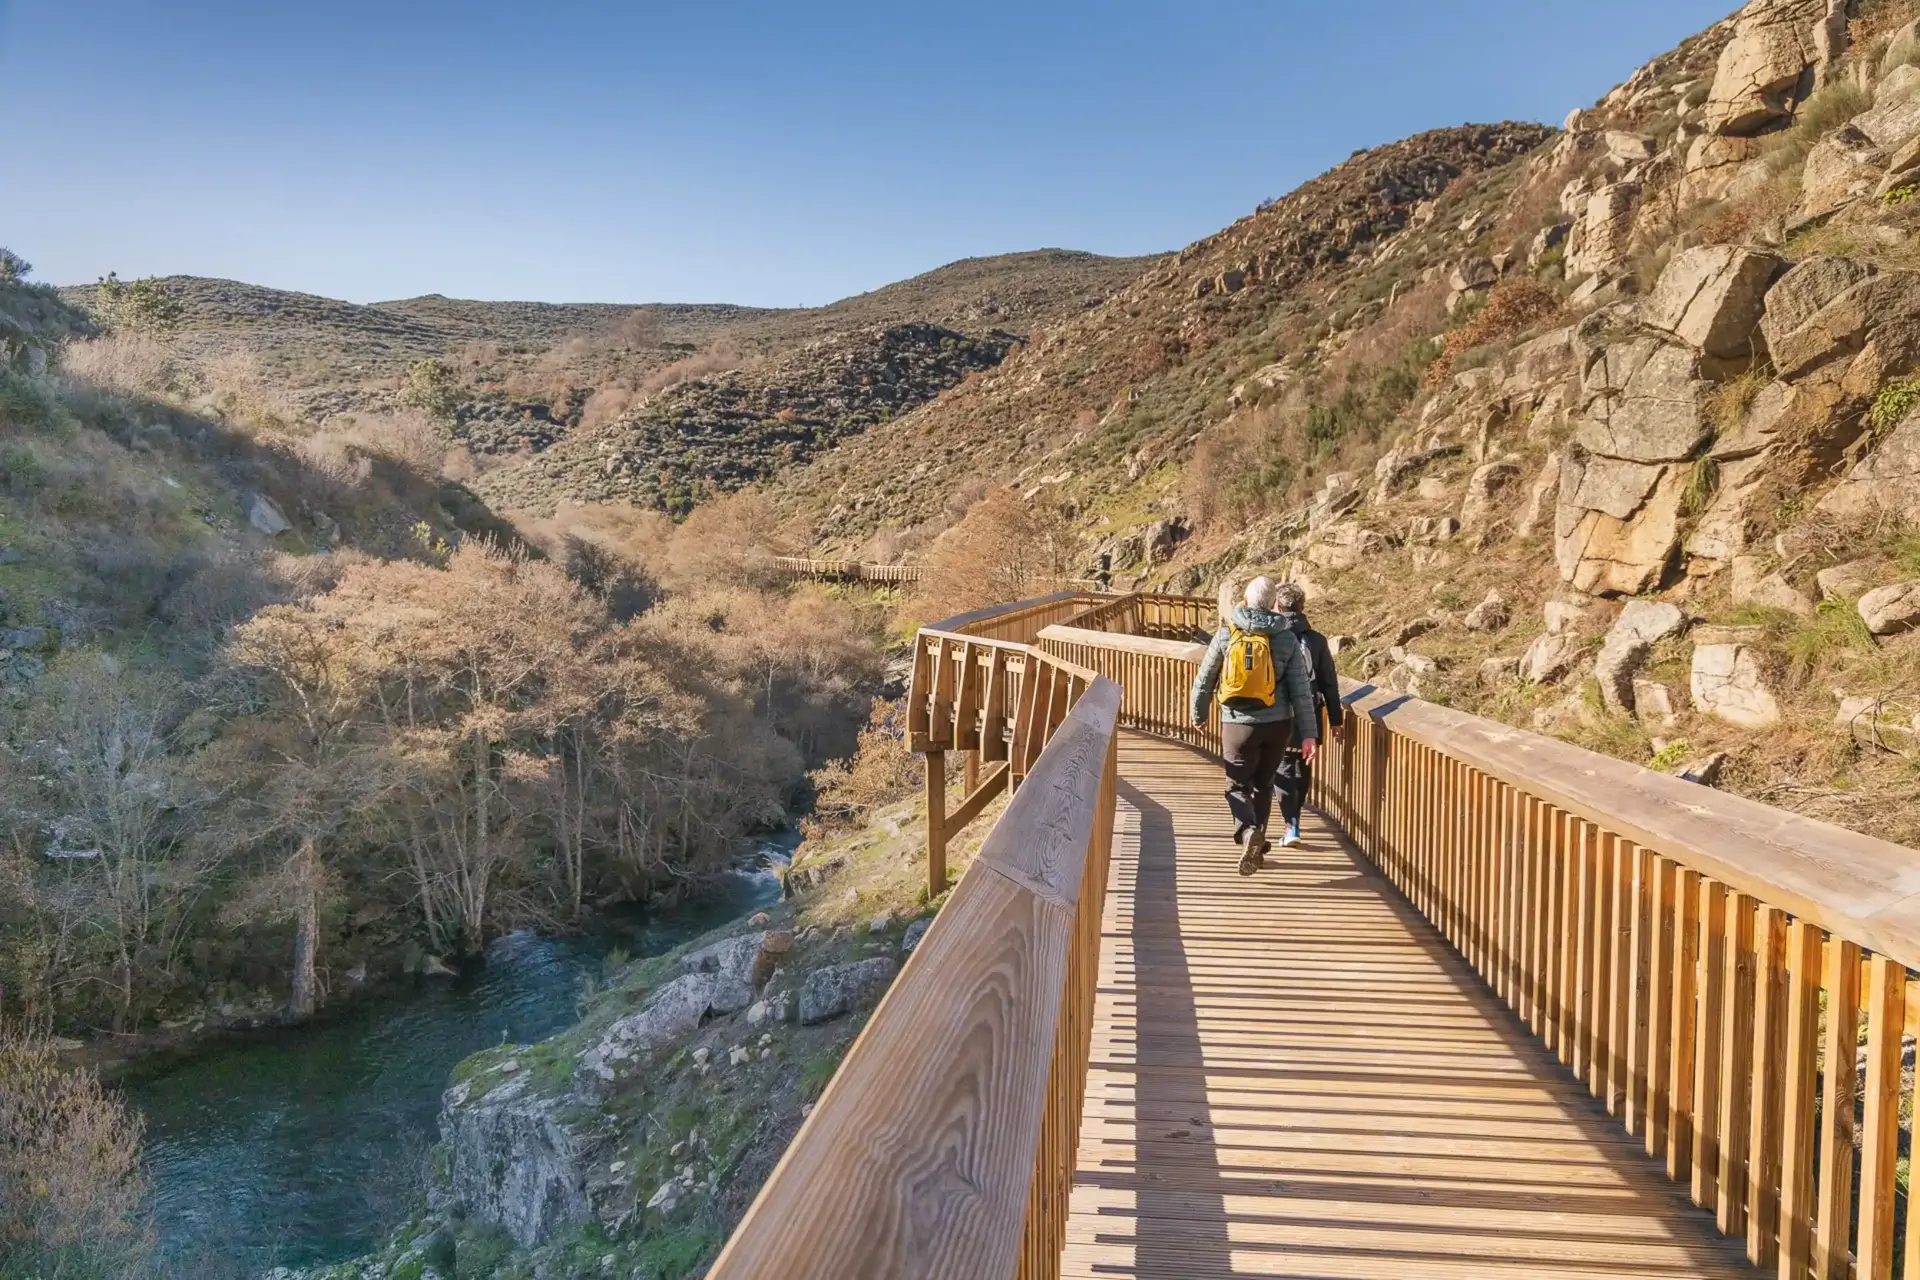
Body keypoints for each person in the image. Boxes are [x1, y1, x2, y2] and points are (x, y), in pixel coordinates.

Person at [1189, 576, 1318, 875]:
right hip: (1278, 726)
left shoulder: (1225, 634)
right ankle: (1256, 844)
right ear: (1274, 604)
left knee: (1236, 784)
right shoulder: (1286, 639)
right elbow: (1301, 690)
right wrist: (1309, 733)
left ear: (1245, 602)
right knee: (1264, 784)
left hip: (1238, 724)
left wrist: (1199, 713)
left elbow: (1205, 680)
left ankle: (1248, 833)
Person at [1272, 581, 1343, 848]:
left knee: (1283, 765)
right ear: (1302, 608)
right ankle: (1294, 819)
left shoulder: (1273, 638)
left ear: (1277, 606)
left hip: (1278, 711)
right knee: (1302, 764)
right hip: (1310, 711)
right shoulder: (1316, 640)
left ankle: (1291, 823)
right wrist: (1336, 719)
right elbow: (1329, 682)